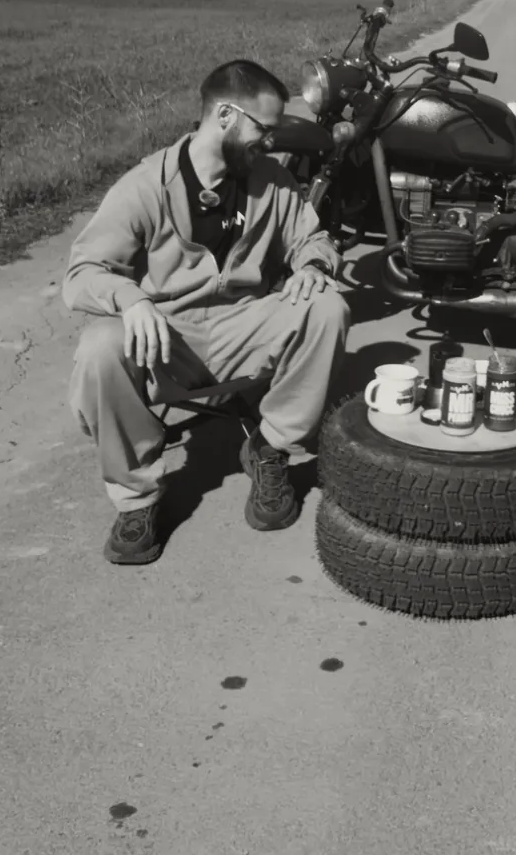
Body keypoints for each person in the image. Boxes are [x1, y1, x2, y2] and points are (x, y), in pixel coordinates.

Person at [64, 59, 351, 566]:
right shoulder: (146, 184)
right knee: (99, 346)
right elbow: (82, 273)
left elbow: (314, 238)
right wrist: (132, 301)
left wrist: (312, 264)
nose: (272, 141)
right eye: (264, 129)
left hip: (244, 325)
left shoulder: (272, 180)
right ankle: (138, 499)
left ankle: (271, 447)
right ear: (224, 116)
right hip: (169, 337)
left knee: (325, 306)